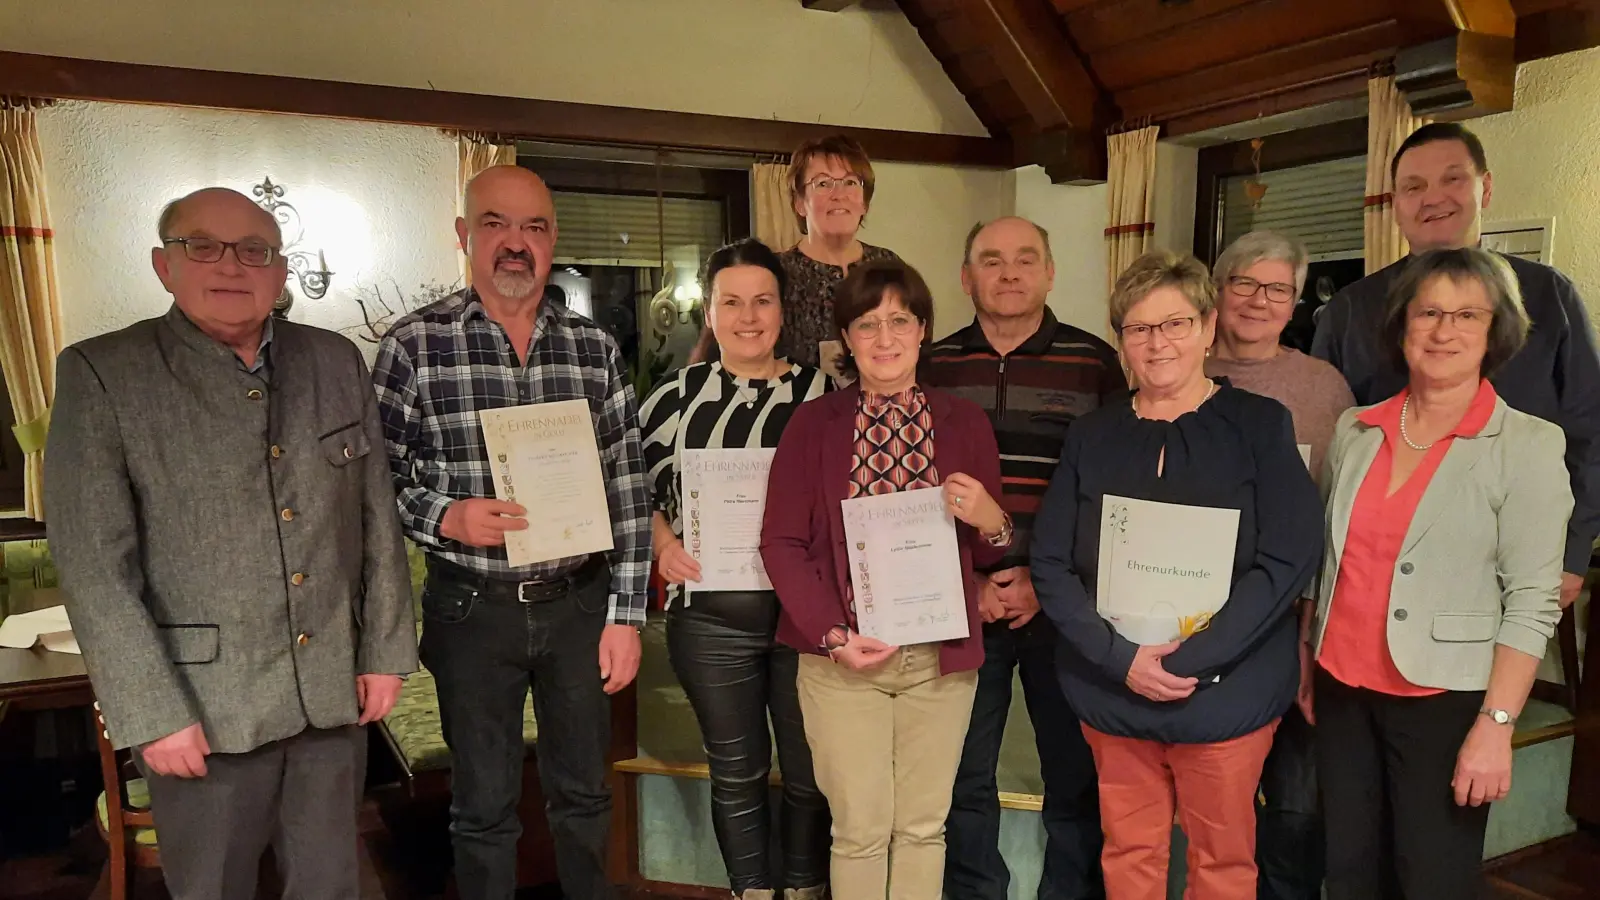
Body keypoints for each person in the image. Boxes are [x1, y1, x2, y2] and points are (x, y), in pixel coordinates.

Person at [45, 187, 417, 900]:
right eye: (202, 245)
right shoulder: (103, 373)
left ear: (280, 272)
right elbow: (96, 567)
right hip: (201, 708)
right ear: (164, 264)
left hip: (330, 694)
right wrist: (152, 713)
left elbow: (376, 518)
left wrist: (387, 652)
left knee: (332, 885)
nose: (231, 265)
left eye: (254, 250)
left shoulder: (336, 360)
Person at [373, 164, 650, 900]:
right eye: (496, 224)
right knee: (484, 810)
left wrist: (626, 616)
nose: (515, 244)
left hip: (579, 605)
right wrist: (448, 517)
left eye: (534, 227)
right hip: (473, 610)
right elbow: (377, 484)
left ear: (553, 240)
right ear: (465, 235)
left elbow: (628, 485)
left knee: (586, 797)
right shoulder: (413, 348)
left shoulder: (594, 349)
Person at [1031, 250, 1323, 899]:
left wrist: (1192, 660)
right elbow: (1050, 563)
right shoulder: (1093, 433)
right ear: (1121, 341)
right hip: (1114, 691)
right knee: (1128, 855)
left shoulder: (1259, 427)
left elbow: (1287, 560)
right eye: (1139, 328)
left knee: (1222, 864)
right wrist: (1122, 659)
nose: (1157, 342)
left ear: (1207, 325)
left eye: (1175, 324)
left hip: (1226, 693)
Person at [1310, 248, 1570, 900]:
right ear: (1403, 325)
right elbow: (1327, 561)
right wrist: (1302, 660)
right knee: (1347, 871)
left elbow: (1534, 600)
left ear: (1496, 332)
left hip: (1445, 701)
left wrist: (1498, 724)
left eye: (1466, 315)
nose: (1444, 330)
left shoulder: (1528, 446)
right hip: (1341, 687)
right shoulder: (1355, 430)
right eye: (1428, 312)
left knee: (1432, 879)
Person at [760, 259, 1011, 900]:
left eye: (900, 320)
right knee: (861, 831)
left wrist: (994, 521)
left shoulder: (965, 424)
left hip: (939, 662)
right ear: (846, 337)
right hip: (843, 662)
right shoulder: (812, 427)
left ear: (923, 330)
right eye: (867, 324)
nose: (885, 338)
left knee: (925, 828)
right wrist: (834, 633)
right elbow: (782, 544)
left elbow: (986, 556)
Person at [1312, 122, 1600, 612]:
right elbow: (1326, 446)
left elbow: (1590, 427)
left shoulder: (1548, 296)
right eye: (1413, 187)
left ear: (1484, 187)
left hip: (1508, 561)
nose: (1433, 198)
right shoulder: (1349, 311)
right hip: (1373, 564)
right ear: (1395, 203)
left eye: (1452, 179)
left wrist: (1572, 551)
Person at [924, 217, 1124, 900]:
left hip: (1063, 606)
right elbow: (916, 488)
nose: (1008, 273)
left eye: (1024, 259)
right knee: (961, 777)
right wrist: (970, 580)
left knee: (1074, 774)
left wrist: (1043, 580)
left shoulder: (1095, 363)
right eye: (991, 260)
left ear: (1049, 272)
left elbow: (1109, 493)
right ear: (966, 275)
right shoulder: (934, 364)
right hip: (962, 603)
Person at [639, 238, 831, 900]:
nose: (748, 317)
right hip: (711, 622)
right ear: (710, 313)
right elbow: (629, 492)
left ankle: (804, 889)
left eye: (762, 301)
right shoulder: (673, 397)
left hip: (807, 623)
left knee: (811, 775)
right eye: (731, 302)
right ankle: (752, 891)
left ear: (783, 309)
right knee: (737, 772)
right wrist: (662, 543)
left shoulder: (824, 394)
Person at [1204, 230, 1354, 900]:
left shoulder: (1323, 387)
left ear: (1296, 302)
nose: (1259, 300)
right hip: (1193, 616)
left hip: (1295, 620)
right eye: (1244, 283)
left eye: (1278, 289)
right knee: (1213, 812)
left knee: (1295, 812)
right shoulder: (1178, 365)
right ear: (1218, 287)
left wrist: (1315, 626)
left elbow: (1340, 509)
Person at [776, 134, 899, 371]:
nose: (839, 194)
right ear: (799, 203)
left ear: (864, 202)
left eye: (851, 182)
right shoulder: (776, 273)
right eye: (823, 183)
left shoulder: (888, 266)